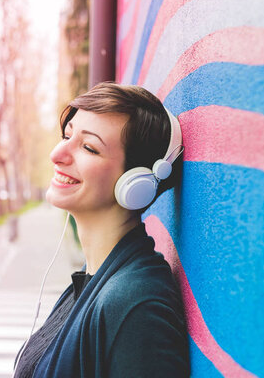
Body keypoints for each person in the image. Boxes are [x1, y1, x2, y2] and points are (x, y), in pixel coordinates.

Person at [14, 82, 190, 378]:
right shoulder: (97, 280)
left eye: (89, 147)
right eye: (67, 135)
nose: (58, 154)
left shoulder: (137, 306)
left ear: (136, 184)